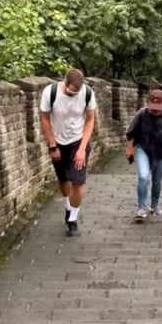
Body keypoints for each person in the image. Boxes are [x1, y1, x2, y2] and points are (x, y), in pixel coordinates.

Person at [40, 69, 96, 236]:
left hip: (78, 140)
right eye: (71, 92)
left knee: (77, 181)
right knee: (64, 179)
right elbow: (45, 118)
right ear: (65, 83)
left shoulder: (87, 93)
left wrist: (82, 148)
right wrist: (52, 146)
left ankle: (73, 219)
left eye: (76, 93)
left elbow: (90, 119)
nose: (74, 95)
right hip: (58, 141)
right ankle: (67, 206)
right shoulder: (50, 92)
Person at [125, 89, 162, 220]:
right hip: (143, 149)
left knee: (156, 181)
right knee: (143, 177)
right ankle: (141, 208)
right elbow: (131, 133)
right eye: (153, 107)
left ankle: (154, 205)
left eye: (158, 108)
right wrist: (130, 149)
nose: (155, 111)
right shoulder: (142, 114)